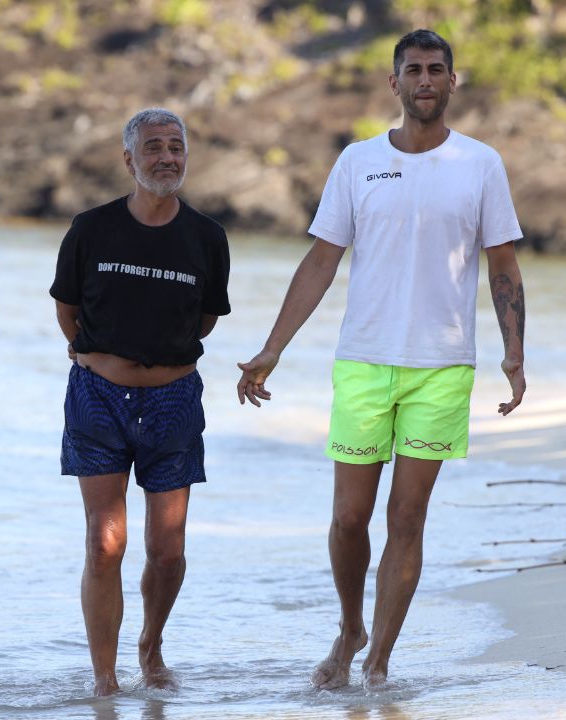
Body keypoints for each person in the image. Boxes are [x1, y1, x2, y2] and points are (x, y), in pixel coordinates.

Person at [236, 29, 526, 690]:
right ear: (393, 84)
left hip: (443, 367)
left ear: (454, 82)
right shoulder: (356, 161)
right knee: (347, 519)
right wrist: (273, 346)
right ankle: (349, 625)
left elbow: (503, 265)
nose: (426, 81)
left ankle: (378, 661)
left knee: (407, 518)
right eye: (414, 70)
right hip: (363, 362)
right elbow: (320, 259)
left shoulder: (481, 164)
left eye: (437, 70)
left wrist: (514, 352)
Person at [50, 107, 231, 695]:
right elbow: (68, 310)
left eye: (176, 147)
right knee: (106, 541)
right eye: (153, 147)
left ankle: (150, 645)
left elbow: (204, 321)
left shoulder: (207, 237)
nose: (167, 157)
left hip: (174, 401)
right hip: (98, 397)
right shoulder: (90, 229)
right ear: (130, 159)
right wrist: (101, 358)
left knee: (168, 551)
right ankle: (105, 680)